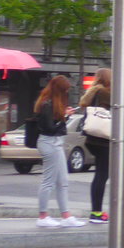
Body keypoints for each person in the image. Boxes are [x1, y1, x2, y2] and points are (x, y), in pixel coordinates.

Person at [34, 75, 84, 228]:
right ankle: (43, 216)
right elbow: (50, 128)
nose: (66, 94)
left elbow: (53, 125)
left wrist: (63, 116)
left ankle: (66, 215)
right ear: (59, 90)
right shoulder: (47, 104)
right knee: (48, 181)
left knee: (62, 181)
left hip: (55, 143)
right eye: (65, 91)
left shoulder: (49, 103)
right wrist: (64, 117)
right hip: (50, 143)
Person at [80, 67, 112, 223]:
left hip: (91, 138)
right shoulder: (105, 93)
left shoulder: (92, 92)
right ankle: (96, 213)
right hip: (103, 140)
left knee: (99, 174)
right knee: (102, 175)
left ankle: (96, 211)